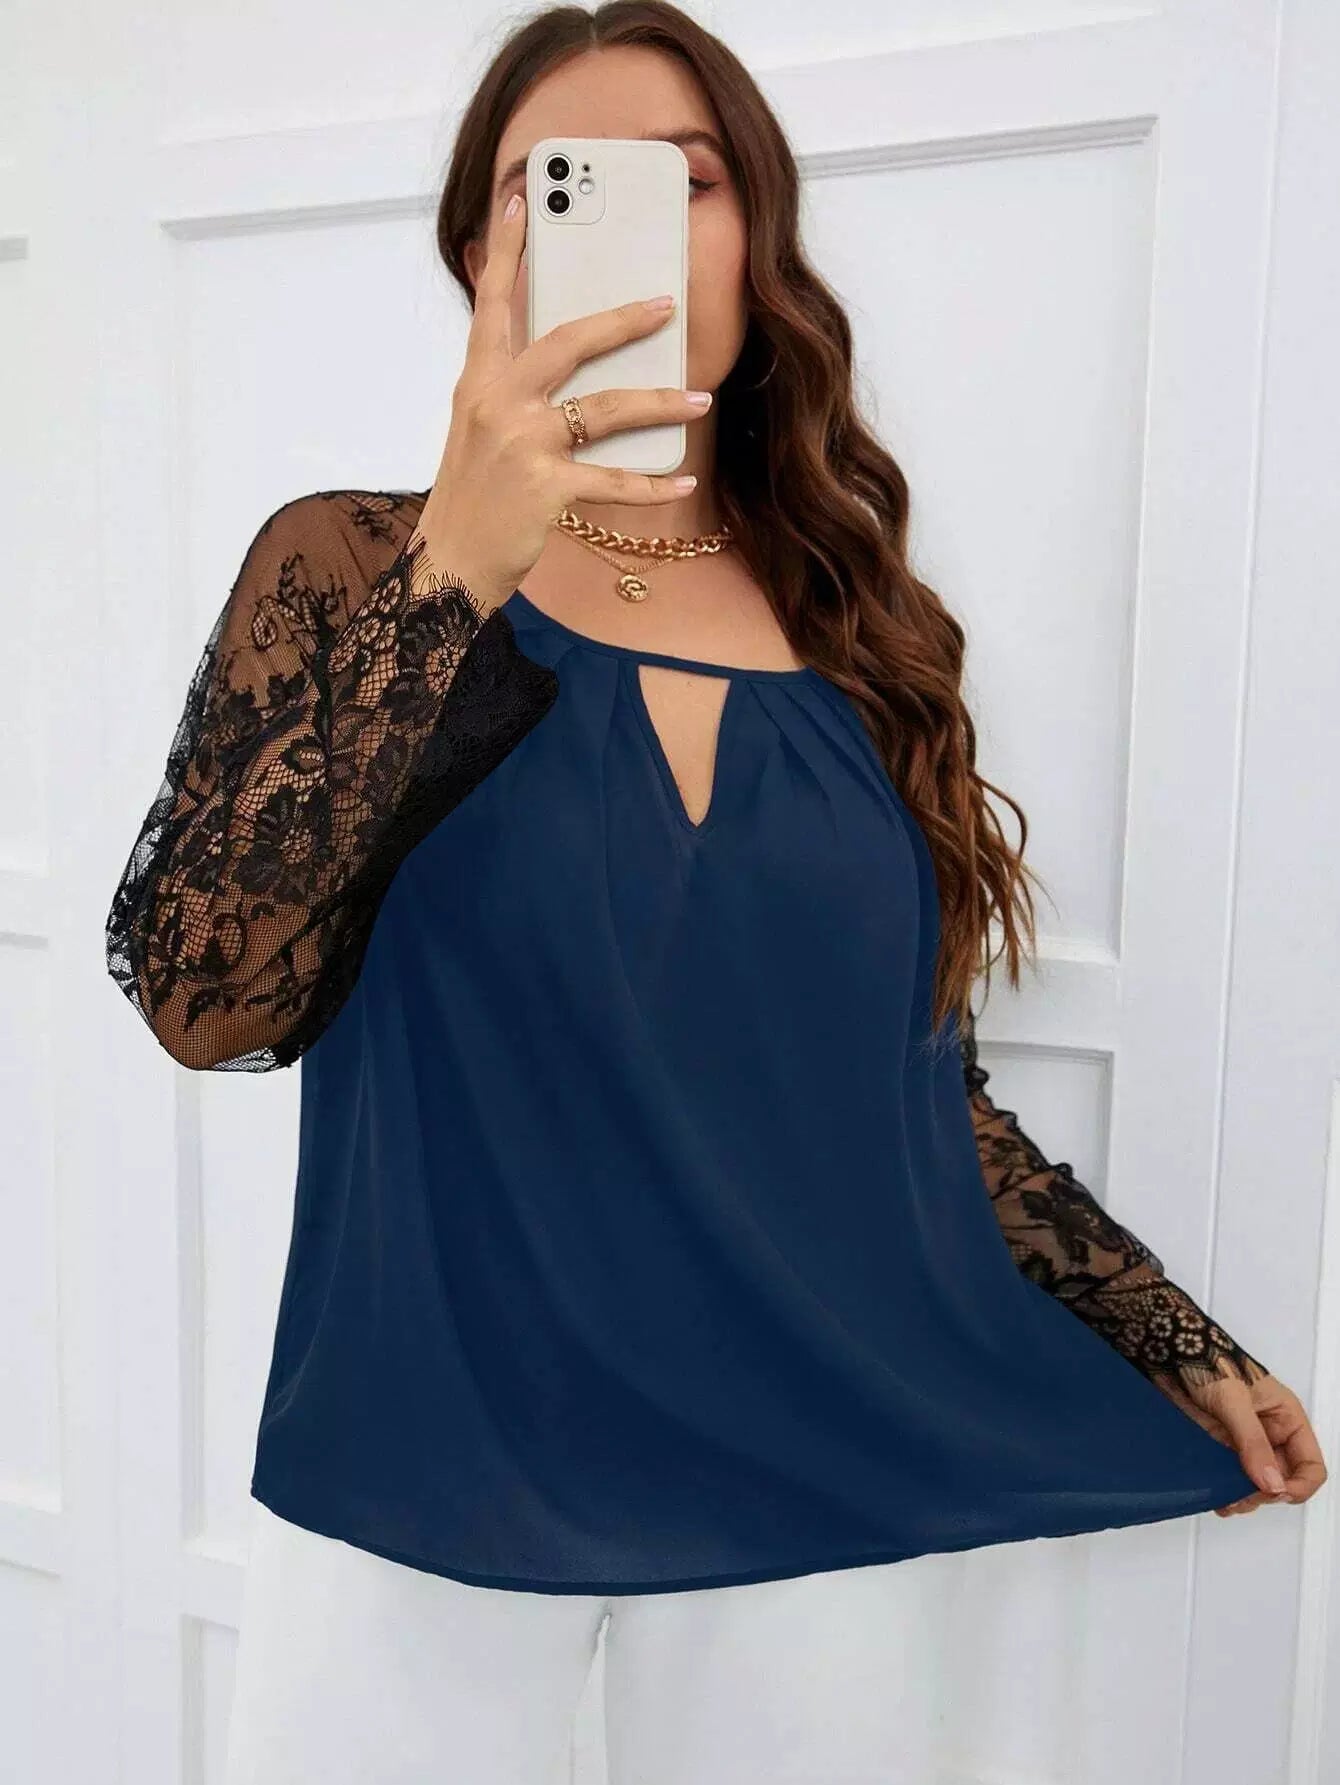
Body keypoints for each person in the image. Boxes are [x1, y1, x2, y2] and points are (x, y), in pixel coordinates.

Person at [103, 4, 1326, 1781]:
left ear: (761, 234)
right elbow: (204, 997)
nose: (641, 225)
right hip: (423, 1466)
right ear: (482, 253)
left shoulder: (862, 628)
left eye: (689, 181)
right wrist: (456, 573)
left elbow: (903, 1086)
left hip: (801, 1468)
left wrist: (1165, 1330)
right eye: (562, 184)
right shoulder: (352, 568)